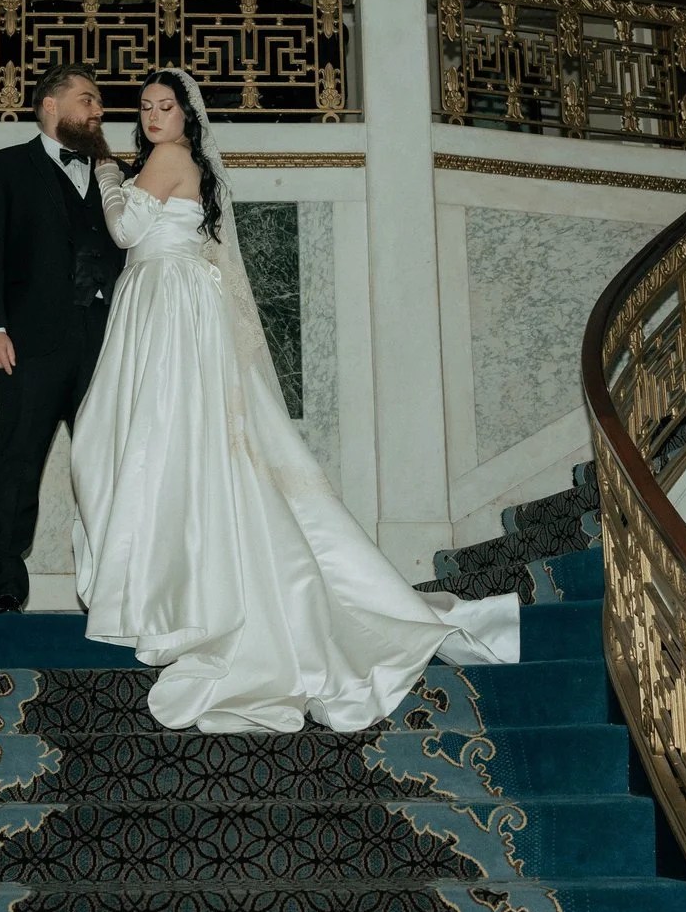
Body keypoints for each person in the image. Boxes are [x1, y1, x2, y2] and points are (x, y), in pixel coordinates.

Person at [70, 68, 520, 732]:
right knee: (161, 449)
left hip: (166, 307)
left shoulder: (167, 158)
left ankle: (178, 597)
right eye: (146, 108)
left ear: (185, 117)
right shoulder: (173, 159)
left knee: (149, 444)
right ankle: (176, 591)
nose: (155, 116)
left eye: (165, 106)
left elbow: (126, 228)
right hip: (165, 303)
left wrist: (106, 175)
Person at [0, 62, 124, 614]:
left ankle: (114, 586)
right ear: (50, 105)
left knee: (109, 467)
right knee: (16, 463)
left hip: (105, 346)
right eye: (86, 99)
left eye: (98, 101)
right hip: (28, 345)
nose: (97, 110)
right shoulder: (4, 168)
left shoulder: (114, 175)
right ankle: (4, 587)